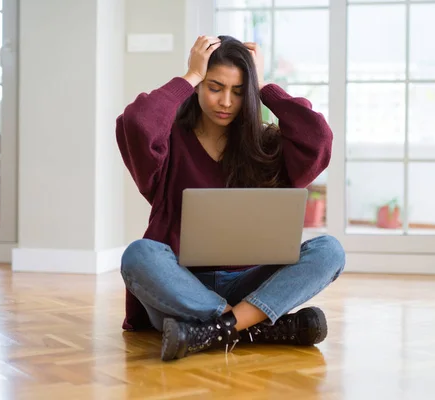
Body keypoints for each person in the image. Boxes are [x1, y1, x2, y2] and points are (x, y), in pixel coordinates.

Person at [116, 35, 346, 362]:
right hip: (181, 288)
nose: (226, 101)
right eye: (214, 87)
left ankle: (216, 330)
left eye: (239, 91)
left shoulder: (266, 144)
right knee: (139, 255)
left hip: (249, 284)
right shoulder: (169, 142)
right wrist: (189, 76)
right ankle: (253, 326)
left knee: (329, 250)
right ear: (198, 87)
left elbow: (318, 139)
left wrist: (264, 85)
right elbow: (137, 122)